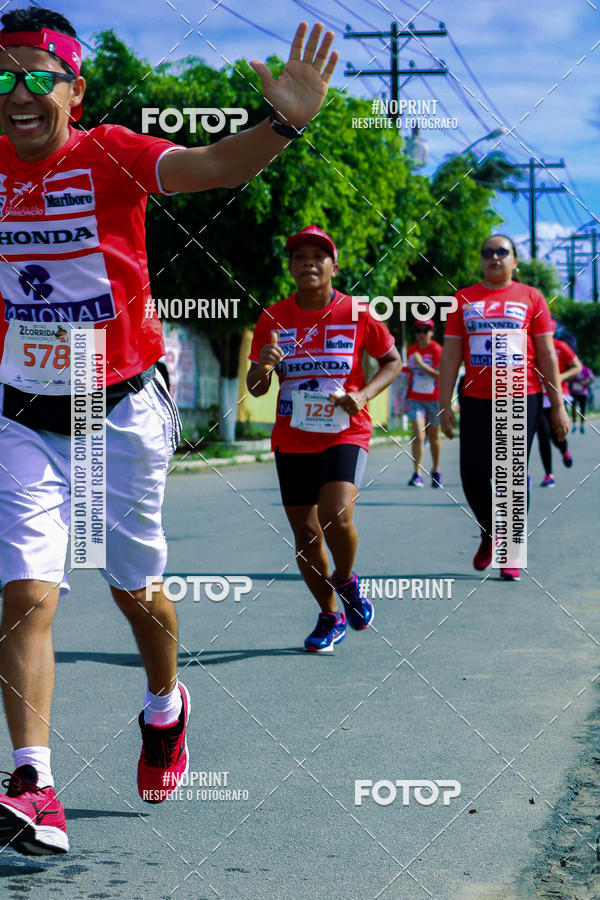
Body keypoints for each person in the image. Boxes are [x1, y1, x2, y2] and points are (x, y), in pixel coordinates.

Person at [0, 6, 338, 855]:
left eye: (39, 75)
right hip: (21, 411)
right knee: (27, 595)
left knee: (130, 586)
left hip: (114, 404)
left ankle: (164, 706)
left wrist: (283, 123)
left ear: (75, 91)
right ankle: (33, 784)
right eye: (3, 76)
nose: (19, 92)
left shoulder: (109, 151)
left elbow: (216, 164)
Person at [246, 226, 401, 652]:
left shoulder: (358, 311)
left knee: (337, 515)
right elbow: (257, 387)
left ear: (334, 265)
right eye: (300, 257)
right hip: (292, 437)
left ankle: (347, 580)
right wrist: (263, 367)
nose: (309, 263)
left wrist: (363, 394)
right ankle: (329, 615)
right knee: (306, 535)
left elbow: (392, 361)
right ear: (292, 267)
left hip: (345, 431)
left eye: (319, 256)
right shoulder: (273, 318)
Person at [439, 234, 569, 582]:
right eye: (487, 252)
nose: (494, 257)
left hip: (520, 394)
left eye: (502, 252)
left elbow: (546, 354)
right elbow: (451, 354)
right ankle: (487, 532)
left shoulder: (531, 297)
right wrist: (444, 403)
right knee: (473, 475)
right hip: (476, 398)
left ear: (514, 261)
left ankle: (510, 550)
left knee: (511, 475)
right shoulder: (463, 299)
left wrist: (557, 405)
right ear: (480, 260)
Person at [536, 323, 581, 486]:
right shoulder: (532, 347)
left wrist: (561, 377)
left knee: (557, 435)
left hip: (557, 395)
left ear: (553, 331)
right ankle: (549, 475)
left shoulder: (561, 346)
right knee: (543, 434)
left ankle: (564, 450)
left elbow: (577, 367)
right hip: (538, 396)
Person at [405, 319, 443, 487]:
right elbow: (409, 372)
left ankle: (435, 470)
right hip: (415, 398)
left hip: (434, 399)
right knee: (418, 435)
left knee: (434, 437)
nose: (421, 334)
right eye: (418, 330)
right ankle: (417, 473)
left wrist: (420, 364)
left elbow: (439, 375)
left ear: (431, 332)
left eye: (425, 330)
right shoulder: (411, 350)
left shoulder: (436, 350)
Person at [570, 362, 595, 433]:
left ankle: (582, 425)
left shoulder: (586, 369)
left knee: (583, 409)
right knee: (573, 408)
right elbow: (568, 378)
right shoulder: (573, 369)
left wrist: (584, 382)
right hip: (573, 392)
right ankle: (574, 424)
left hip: (583, 392)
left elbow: (591, 379)